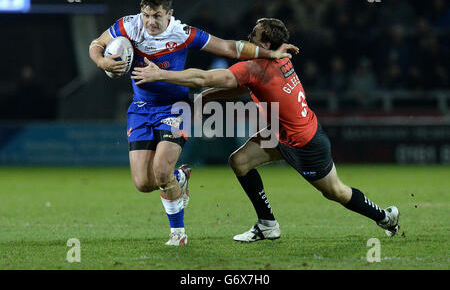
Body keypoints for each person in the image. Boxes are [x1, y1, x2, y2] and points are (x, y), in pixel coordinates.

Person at [131, 18, 400, 242]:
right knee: (239, 161)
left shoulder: (255, 65)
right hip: (280, 133)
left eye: (254, 35)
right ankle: (267, 225)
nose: (248, 38)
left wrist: (160, 74)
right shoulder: (278, 57)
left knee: (336, 192)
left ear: (267, 45)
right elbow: (246, 85)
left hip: (304, 143)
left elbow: (203, 76)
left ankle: (385, 217)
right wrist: (211, 97)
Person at [88, 0, 297, 246]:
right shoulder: (128, 26)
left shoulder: (183, 33)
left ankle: (178, 234)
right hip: (140, 109)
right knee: (143, 183)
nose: (150, 22)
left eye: (157, 16)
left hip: (175, 108)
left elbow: (228, 47)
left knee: (161, 171)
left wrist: (270, 53)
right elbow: (96, 44)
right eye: (146, 15)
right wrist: (101, 62)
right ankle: (181, 177)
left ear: (169, 15)